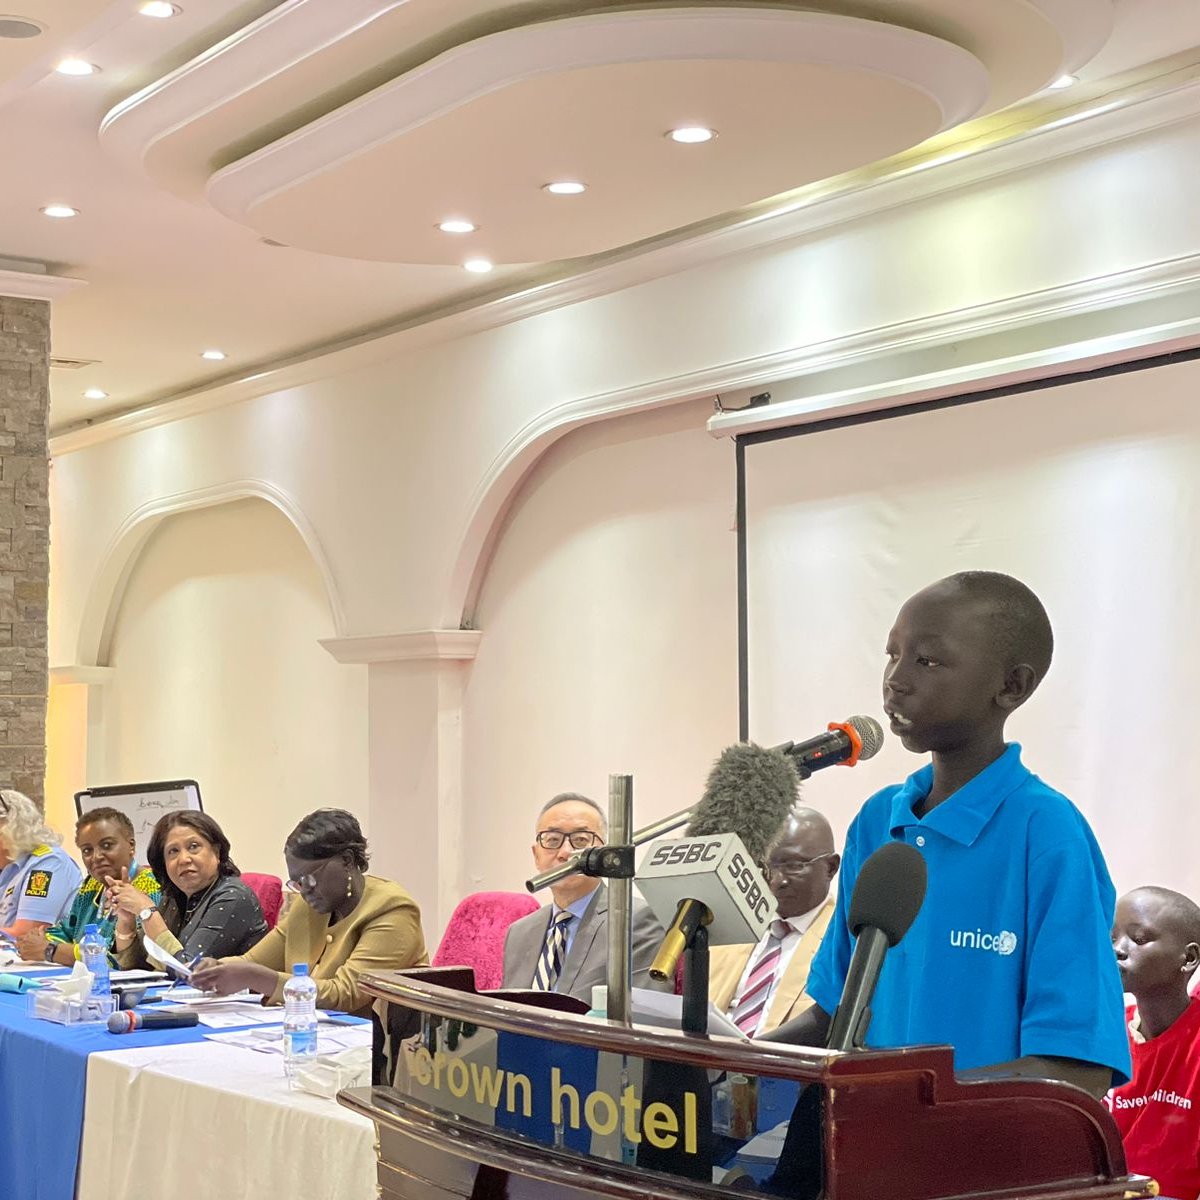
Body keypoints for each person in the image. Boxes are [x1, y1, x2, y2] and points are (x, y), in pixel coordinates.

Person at [765, 571, 1129, 1097]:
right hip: (865, 1157)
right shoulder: (876, 822)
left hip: (982, 1168)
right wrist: (739, 1065)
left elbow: (1075, 1068)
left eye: (927, 660)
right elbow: (833, 1018)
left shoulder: (1047, 833)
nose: (896, 679)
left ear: (1012, 686)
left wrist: (910, 1100)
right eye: (892, 654)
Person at [191, 808, 427, 1015]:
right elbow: (252, 961)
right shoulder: (309, 905)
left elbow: (345, 995)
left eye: (309, 879)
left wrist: (257, 977)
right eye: (296, 883)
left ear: (346, 860)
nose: (304, 891)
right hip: (313, 1036)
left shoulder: (393, 910)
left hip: (376, 1050)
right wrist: (218, 969)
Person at [502, 792, 665, 1003]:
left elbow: (642, 1016)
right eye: (552, 840)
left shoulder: (637, 921)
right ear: (536, 856)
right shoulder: (519, 932)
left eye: (580, 840)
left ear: (605, 854)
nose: (566, 852)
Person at [709, 807, 838, 1036]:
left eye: (794, 866)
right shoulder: (734, 926)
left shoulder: (843, 941)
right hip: (710, 1061)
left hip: (785, 1066)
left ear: (831, 867)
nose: (777, 881)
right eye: (767, 867)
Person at [1107, 887, 1200, 1200]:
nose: (1118, 950)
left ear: (1187, 958)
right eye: (1112, 938)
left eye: (1139, 938)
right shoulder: (1107, 1030)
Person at [108, 810, 266, 969]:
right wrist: (127, 921)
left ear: (216, 852)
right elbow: (136, 966)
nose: (183, 859)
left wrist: (146, 911)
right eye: (173, 851)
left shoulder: (233, 897)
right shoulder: (174, 897)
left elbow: (187, 969)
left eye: (194, 847)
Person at [16, 807, 160, 965]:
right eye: (87, 850)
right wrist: (39, 942)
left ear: (131, 845)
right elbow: (65, 931)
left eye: (107, 846)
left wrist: (51, 950)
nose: (96, 857)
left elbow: (120, 960)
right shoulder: (91, 885)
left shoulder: (151, 888)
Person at [0, 789, 81, 943]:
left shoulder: (47, 863)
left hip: (48, 964)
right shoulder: (7, 867)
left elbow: (26, 934)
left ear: (9, 830)